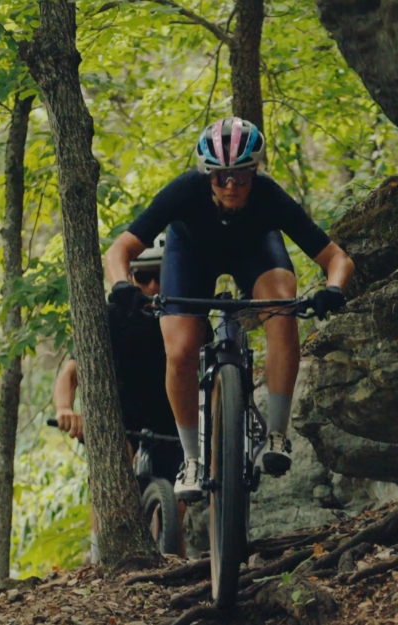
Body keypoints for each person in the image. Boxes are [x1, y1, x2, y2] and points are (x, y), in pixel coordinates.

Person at [104, 117, 355, 501]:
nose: (232, 185)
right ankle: (191, 460)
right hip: (191, 257)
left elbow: (337, 258)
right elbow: (120, 251)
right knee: (182, 349)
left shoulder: (269, 196)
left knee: (282, 305)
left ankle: (275, 434)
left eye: (241, 175)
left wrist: (333, 290)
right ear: (207, 175)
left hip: (254, 253)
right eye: (221, 177)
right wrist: (122, 285)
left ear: (255, 171)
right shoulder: (184, 191)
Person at [53, 236, 185, 559]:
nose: (152, 286)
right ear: (130, 279)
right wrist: (65, 408)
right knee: (108, 474)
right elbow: (70, 374)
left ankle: (176, 562)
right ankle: (100, 557)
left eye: (160, 276)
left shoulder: (185, 316)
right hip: (120, 420)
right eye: (143, 277)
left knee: (180, 495)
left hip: (171, 422)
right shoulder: (111, 316)